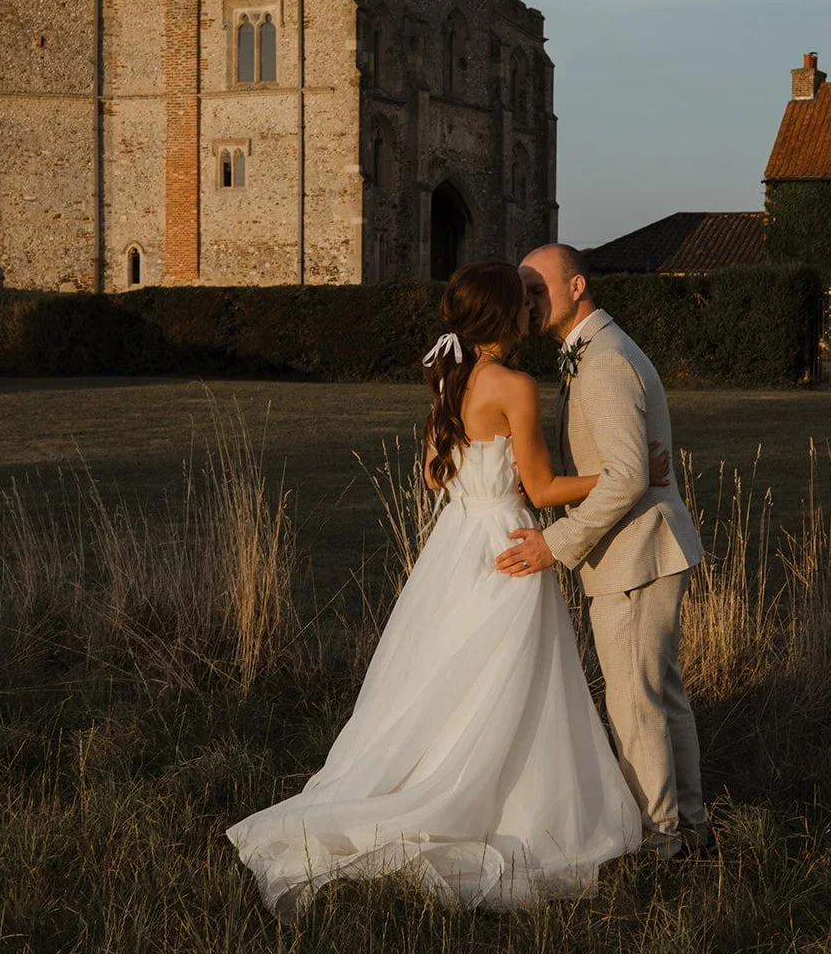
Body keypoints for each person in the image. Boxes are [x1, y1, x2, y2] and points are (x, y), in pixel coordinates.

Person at [227, 261, 669, 914]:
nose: (530, 311)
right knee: (510, 678)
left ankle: (443, 781)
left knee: (451, 676)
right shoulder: (515, 385)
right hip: (505, 548)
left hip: (456, 544)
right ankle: (491, 800)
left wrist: (489, 477)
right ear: (502, 315)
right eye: (522, 302)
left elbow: (437, 477)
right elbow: (545, 489)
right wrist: (622, 473)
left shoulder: (450, 376)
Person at [496, 245, 713, 860]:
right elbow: (614, 465)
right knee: (660, 695)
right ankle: (688, 828)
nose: (528, 304)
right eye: (523, 293)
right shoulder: (592, 354)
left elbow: (626, 477)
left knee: (635, 702)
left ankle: (661, 840)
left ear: (578, 285)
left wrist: (553, 543)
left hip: (635, 555)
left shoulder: (605, 362)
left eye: (538, 291)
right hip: (642, 550)